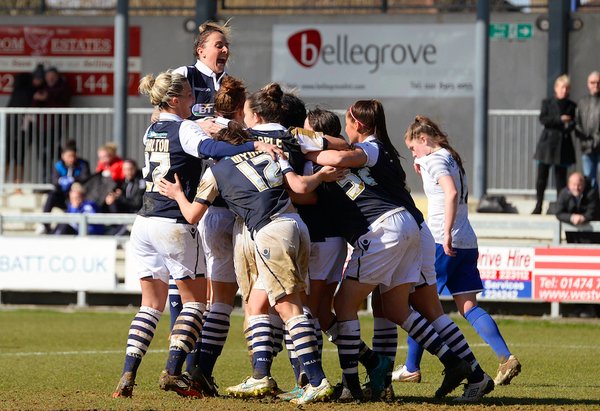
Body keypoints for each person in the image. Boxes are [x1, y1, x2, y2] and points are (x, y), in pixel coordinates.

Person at [111, 70, 282, 399]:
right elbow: (211, 150)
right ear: (175, 100)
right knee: (195, 304)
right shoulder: (184, 126)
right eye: (190, 96)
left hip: (144, 222)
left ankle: (128, 374)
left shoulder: (152, 128)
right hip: (173, 222)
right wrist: (254, 144)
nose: (195, 101)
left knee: (149, 306)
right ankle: (173, 371)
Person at [157, 120, 342, 405]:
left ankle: (316, 380)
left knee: (288, 307)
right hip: (295, 224)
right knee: (261, 304)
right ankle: (261, 375)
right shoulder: (268, 154)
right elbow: (297, 187)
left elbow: (193, 215)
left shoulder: (217, 170)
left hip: (269, 232)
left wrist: (178, 195)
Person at [308, 101, 472, 402]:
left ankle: (350, 384)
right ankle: (454, 363)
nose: (346, 128)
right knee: (396, 309)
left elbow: (333, 155)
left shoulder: (366, 150)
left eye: (349, 121)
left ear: (358, 123)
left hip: (387, 228)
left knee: (344, 305)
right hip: (405, 224)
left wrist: (299, 143)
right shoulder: (368, 151)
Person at [404, 115, 521, 388]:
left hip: (443, 240)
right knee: (468, 306)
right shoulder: (449, 157)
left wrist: (445, 234)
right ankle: (505, 357)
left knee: (419, 304)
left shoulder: (433, 159)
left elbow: (451, 192)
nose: (414, 154)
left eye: (413, 148)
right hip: (467, 240)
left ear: (423, 139)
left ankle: (411, 367)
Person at [532, 74, 577, 214]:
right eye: (562, 87)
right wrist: (560, 119)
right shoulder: (547, 102)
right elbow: (543, 119)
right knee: (541, 178)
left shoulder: (572, 105)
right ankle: (538, 205)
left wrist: (568, 125)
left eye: (567, 88)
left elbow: (574, 123)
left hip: (563, 145)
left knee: (560, 179)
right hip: (547, 145)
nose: (564, 90)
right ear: (556, 88)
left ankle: (560, 206)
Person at [38, 140, 91, 234]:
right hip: (63, 196)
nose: (71, 159)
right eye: (69, 156)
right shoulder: (58, 165)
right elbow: (54, 181)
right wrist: (60, 181)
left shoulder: (83, 164)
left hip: (76, 197)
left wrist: (73, 180)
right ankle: (44, 225)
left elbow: (86, 178)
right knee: (51, 196)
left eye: (73, 156)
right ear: (63, 156)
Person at [103, 159, 145, 236]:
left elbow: (137, 203)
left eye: (130, 169)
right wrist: (112, 197)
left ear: (135, 168)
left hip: (137, 216)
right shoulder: (124, 182)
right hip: (125, 215)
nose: (128, 172)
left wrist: (119, 198)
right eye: (125, 169)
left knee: (115, 235)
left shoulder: (141, 182)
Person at [575, 71, 600, 188]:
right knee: (589, 179)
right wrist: (585, 140)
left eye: (598, 82)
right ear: (588, 84)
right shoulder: (582, 102)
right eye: (593, 82)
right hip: (587, 148)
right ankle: (593, 205)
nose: (596, 85)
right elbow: (577, 123)